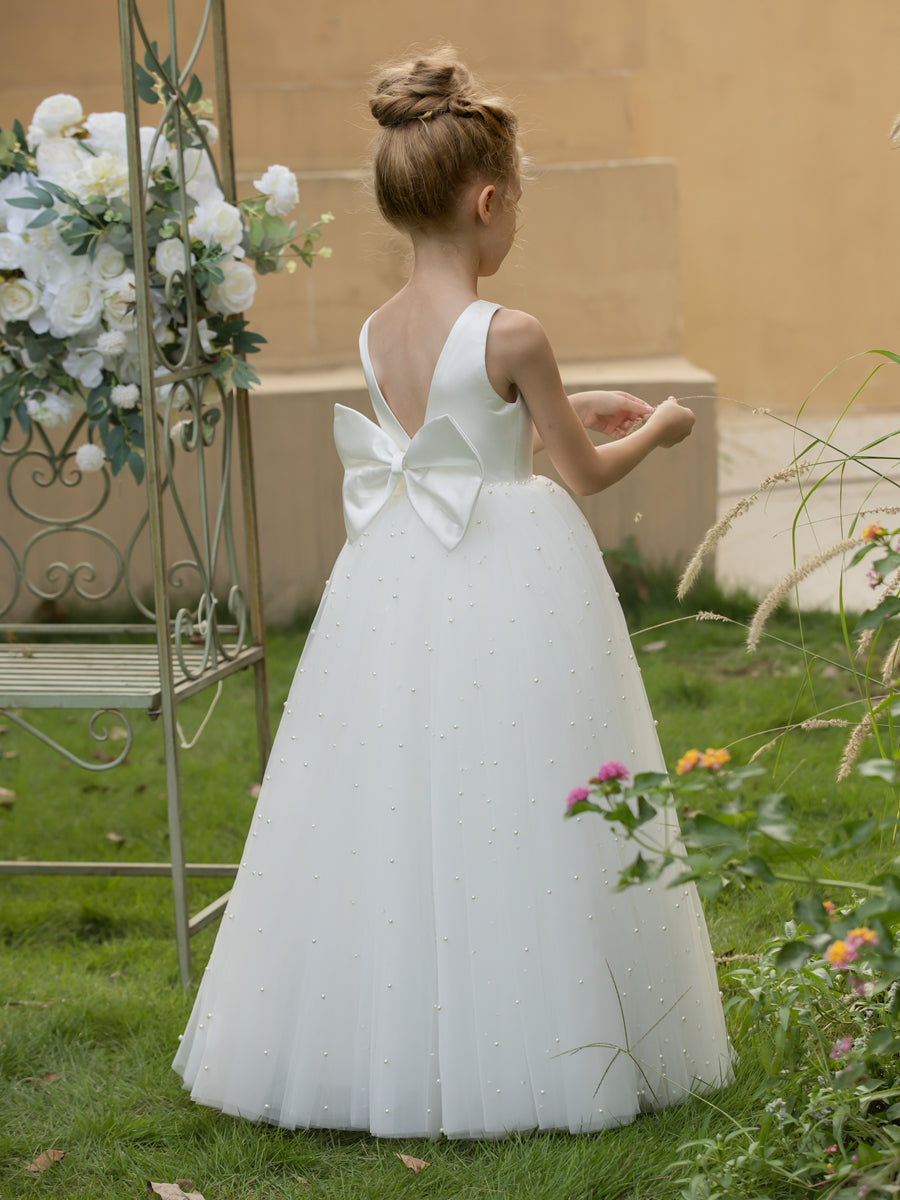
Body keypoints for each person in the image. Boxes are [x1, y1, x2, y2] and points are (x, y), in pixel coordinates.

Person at [173, 49, 731, 1139]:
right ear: (488, 202)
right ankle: (542, 1028)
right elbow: (579, 472)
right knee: (520, 779)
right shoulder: (516, 331)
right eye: (516, 201)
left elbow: (454, 428)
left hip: (403, 569)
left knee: (404, 786)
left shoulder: (377, 331)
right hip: (507, 558)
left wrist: (565, 403)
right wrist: (658, 427)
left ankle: (395, 1031)